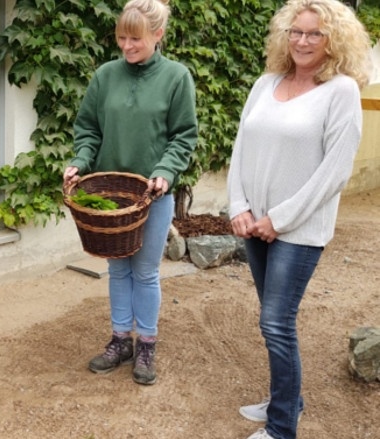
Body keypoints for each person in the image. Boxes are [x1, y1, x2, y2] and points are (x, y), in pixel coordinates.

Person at [226, 1, 371, 437]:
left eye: (315, 34)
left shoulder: (341, 91)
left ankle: (282, 426)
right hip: (254, 224)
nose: (302, 41)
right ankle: (288, 398)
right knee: (272, 319)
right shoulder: (265, 83)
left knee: (275, 321)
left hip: (298, 230)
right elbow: (241, 148)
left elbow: (334, 172)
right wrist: (238, 206)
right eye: (296, 31)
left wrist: (280, 218)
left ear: (334, 41)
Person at [63, 0, 197, 385]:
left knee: (145, 271)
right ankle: (121, 339)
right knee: (117, 268)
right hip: (111, 196)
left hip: (152, 196)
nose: (126, 46)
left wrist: (165, 171)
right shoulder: (105, 76)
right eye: (121, 37)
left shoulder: (176, 77)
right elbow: (88, 128)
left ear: (157, 34)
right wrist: (80, 160)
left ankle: (147, 344)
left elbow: (183, 135)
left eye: (135, 38)